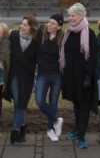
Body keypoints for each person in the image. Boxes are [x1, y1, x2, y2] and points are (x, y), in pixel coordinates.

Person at [59, 3, 98, 149]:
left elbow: (93, 57)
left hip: (84, 78)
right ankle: (77, 129)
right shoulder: (69, 32)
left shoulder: (89, 33)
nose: (70, 18)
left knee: (84, 107)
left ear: (81, 16)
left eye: (73, 16)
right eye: (69, 15)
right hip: (71, 77)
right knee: (76, 104)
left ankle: (81, 135)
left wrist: (88, 77)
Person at [4, 16, 40, 144]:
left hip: (27, 77)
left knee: (21, 102)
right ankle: (17, 129)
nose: (22, 27)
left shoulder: (36, 41)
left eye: (25, 25)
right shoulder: (13, 35)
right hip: (14, 75)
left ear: (32, 27)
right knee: (19, 101)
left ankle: (20, 128)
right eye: (22, 24)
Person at [35, 13, 64, 142]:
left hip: (57, 75)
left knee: (53, 103)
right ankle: (56, 120)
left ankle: (50, 130)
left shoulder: (63, 38)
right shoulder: (41, 33)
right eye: (49, 21)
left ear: (59, 27)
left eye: (53, 23)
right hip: (42, 74)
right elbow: (26, 29)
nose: (49, 25)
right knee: (39, 100)